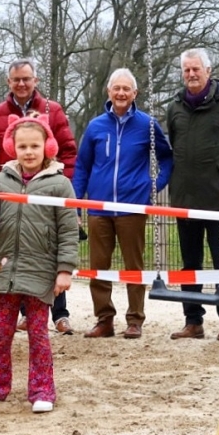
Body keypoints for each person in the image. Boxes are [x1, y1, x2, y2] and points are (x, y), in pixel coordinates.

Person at [0, 115, 79, 414]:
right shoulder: (1, 180)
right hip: (7, 268)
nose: (29, 152)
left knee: (38, 334)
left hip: (41, 270)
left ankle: (42, 390)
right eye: (23, 146)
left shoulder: (60, 184)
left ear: (47, 147)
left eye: (35, 145)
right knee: (2, 332)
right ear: (12, 147)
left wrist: (64, 270)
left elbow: (69, 231)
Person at [0, 57, 79, 335]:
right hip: (11, 187)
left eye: (26, 78)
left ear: (35, 80)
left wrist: (61, 187)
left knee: (50, 251)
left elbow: (68, 151)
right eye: (16, 79)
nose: (21, 84)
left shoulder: (53, 110)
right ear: (9, 83)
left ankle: (59, 313)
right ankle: (25, 312)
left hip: (48, 191)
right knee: (18, 250)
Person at [72, 68, 172, 339]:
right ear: (109, 91)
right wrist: (75, 201)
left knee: (133, 266)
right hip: (98, 208)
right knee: (98, 266)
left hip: (133, 206)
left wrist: (154, 186)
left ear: (135, 93)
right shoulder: (95, 127)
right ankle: (104, 319)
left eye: (126, 89)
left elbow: (166, 158)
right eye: (117, 88)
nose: (121, 93)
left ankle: (135, 319)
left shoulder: (147, 125)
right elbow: (82, 165)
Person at [164, 48, 219, 342]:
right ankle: (193, 320)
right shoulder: (175, 108)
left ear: (208, 71)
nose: (192, 75)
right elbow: (173, 143)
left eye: (196, 69)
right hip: (185, 196)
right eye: (187, 70)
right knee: (189, 262)